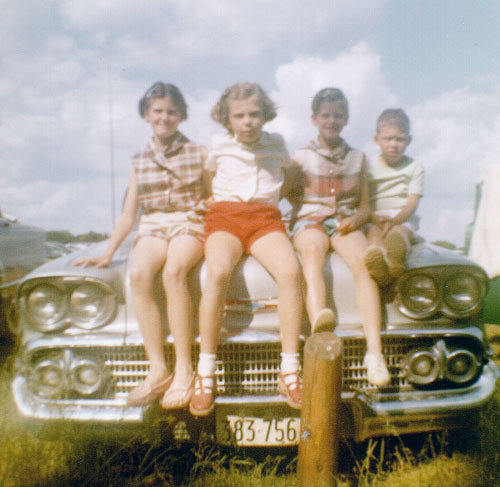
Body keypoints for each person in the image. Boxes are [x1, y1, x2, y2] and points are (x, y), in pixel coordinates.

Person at [74, 82, 208, 409]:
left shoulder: (200, 152)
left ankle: (184, 370)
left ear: (181, 116)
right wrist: (107, 253)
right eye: (158, 111)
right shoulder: (138, 160)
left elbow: (213, 195)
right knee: (138, 274)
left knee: (174, 272)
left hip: (189, 221)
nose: (165, 118)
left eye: (172, 112)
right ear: (147, 114)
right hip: (153, 224)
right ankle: (158, 368)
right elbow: (128, 215)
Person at [189, 82, 303, 416]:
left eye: (254, 114)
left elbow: (292, 174)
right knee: (218, 272)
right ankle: (206, 372)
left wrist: (278, 197)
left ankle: (290, 369)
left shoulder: (277, 144)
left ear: (265, 114)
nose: (248, 121)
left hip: (266, 219)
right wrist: (215, 200)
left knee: (291, 271)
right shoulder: (219, 145)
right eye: (239, 116)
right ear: (227, 118)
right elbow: (209, 176)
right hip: (226, 217)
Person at [289, 87, 390, 386]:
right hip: (309, 220)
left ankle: (375, 353)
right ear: (314, 118)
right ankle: (321, 322)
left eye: (337, 115)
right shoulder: (300, 158)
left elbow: (365, 206)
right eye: (325, 115)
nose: (331, 120)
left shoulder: (358, 158)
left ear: (345, 119)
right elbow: (285, 195)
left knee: (364, 266)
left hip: (345, 221)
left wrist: (355, 221)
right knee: (312, 251)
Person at [364, 109, 424, 286]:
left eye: (399, 139)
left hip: (402, 216)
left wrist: (395, 221)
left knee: (401, 233)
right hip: (375, 217)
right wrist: (375, 218)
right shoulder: (368, 166)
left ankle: (397, 260)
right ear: (377, 139)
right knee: (374, 235)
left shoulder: (414, 167)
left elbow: (412, 202)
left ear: (409, 140)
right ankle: (380, 265)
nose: (393, 145)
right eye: (388, 139)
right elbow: (364, 200)